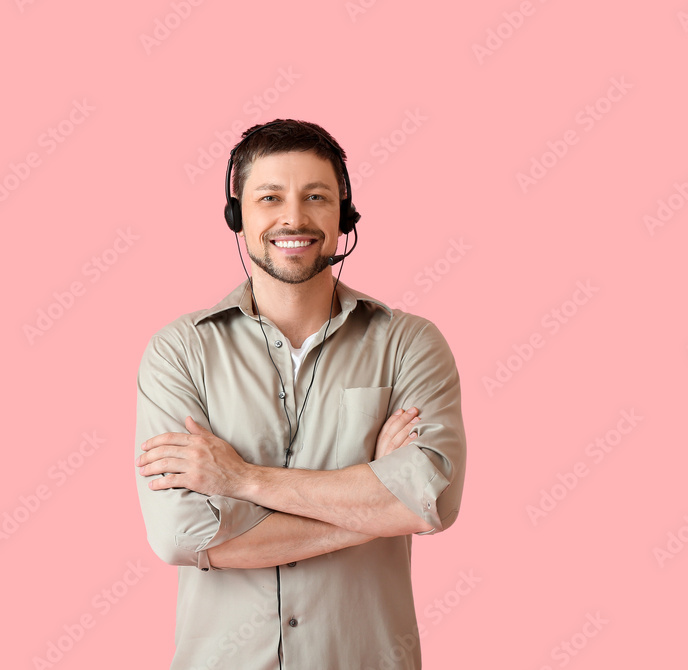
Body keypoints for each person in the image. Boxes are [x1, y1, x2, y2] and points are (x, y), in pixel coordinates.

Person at [134, 119, 466, 669]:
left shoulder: (410, 342)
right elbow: (182, 535)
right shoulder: (180, 351)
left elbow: (432, 500)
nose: (294, 218)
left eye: (316, 196)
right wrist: (375, 504)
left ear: (344, 214)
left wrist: (241, 481)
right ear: (237, 215)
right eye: (270, 197)